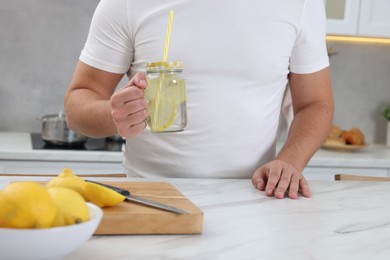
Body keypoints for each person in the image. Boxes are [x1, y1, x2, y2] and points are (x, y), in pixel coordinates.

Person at [64, 0, 334, 199]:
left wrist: (290, 161)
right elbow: (78, 102)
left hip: (256, 196)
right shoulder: (126, 4)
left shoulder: (301, 4)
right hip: (153, 196)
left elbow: (315, 103)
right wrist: (112, 115)